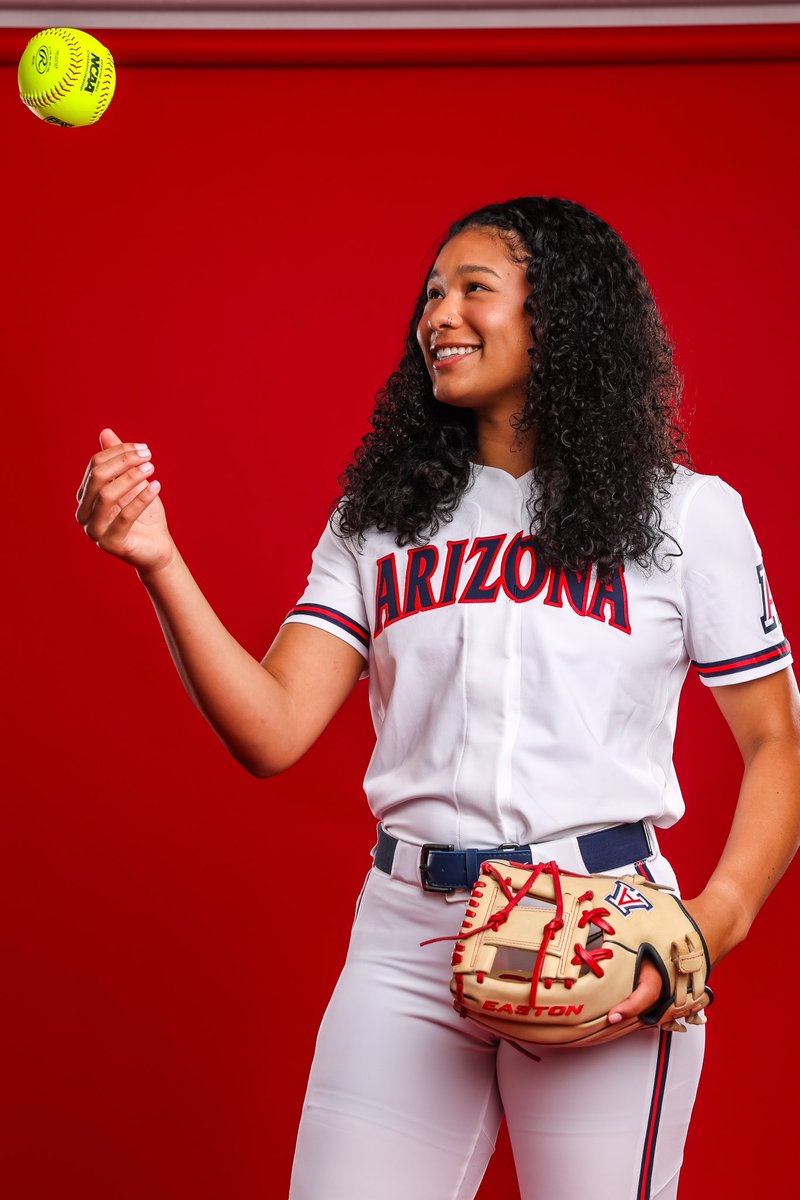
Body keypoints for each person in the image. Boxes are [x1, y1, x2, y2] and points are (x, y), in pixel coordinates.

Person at [75, 196, 799, 1200]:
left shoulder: (684, 513)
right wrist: (158, 561)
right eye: (429, 294)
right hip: (404, 935)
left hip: (596, 920)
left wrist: (707, 922)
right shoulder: (382, 518)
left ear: (559, 317)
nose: (436, 315)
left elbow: (777, 744)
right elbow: (273, 730)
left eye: (472, 290)